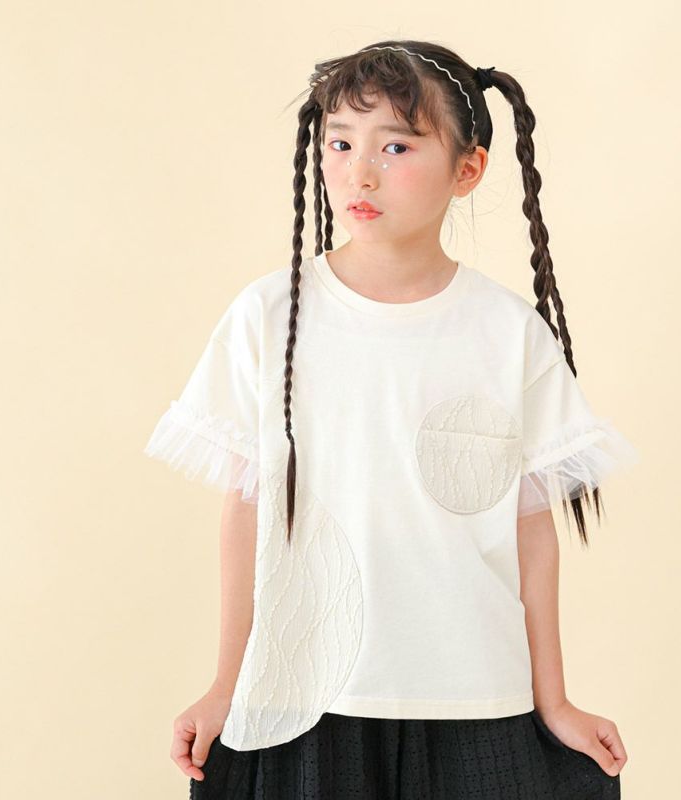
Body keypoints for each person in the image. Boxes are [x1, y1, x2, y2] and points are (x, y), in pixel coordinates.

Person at [144, 38, 639, 800]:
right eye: (341, 143)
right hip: (304, 697)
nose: (360, 173)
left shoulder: (508, 334)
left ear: (467, 169)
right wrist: (225, 685)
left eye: (396, 146)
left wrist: (554, 699)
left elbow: (531, 530)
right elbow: (247, 510)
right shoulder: (268, 317)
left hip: (477, 696)